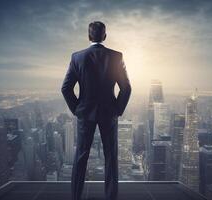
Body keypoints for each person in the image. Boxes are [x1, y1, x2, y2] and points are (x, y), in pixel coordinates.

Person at [61, 21, 131, 200]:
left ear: (88, 36)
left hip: (85, 113)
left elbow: (66, 88)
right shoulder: (116, 56)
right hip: (109, 113)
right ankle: (111, 197)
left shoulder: (77, 57)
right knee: (111, 157)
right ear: (105, 36)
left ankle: (75, 196)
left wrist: (77, 109)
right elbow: (126, 88)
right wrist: (117, 110)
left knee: (81, 156)